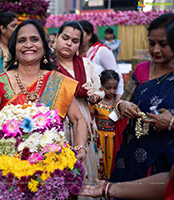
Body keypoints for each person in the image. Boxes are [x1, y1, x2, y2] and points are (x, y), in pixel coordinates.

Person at [0, 19, 88, 164]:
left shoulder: (58, 81)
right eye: (22, 40)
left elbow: (78, 120)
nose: (28, 45)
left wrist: (81, 148)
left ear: (44, 46)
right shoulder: (1, 83)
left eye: (34, 39)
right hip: (9, 167)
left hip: (52, 166)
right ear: (14, 47)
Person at [109, 13, 174, 186]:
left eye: (163, 44)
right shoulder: (141, 69)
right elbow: (119, 102)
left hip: (166, 159)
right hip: (131, 156)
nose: (155, 50)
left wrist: (171, 122)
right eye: (152, 43)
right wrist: (123, 106)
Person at [54, 21, 104, 184]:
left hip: (84, 122)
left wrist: (94, 96)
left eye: (75, 41)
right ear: (57, 38)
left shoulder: (86, 64)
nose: (69, 43)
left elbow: (100, 91)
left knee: (84, 169)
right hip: (58, 124)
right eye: (65, 38)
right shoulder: (47, 65)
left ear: (79, 45)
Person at [79, 20, 124, 99]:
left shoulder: (101, 51)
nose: (77, 36)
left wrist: (118, 101)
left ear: (89, 35)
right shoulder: (76, 53)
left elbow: (117, 74)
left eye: (80, 33)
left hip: (102, 102)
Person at [89, 70, 119, 179]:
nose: (112, 91)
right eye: (108, 88)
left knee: (113, 163)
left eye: (114, 88)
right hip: (99, 139)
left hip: (113, 139)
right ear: (101, 86)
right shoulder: (96, 103)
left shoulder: (118, 104)